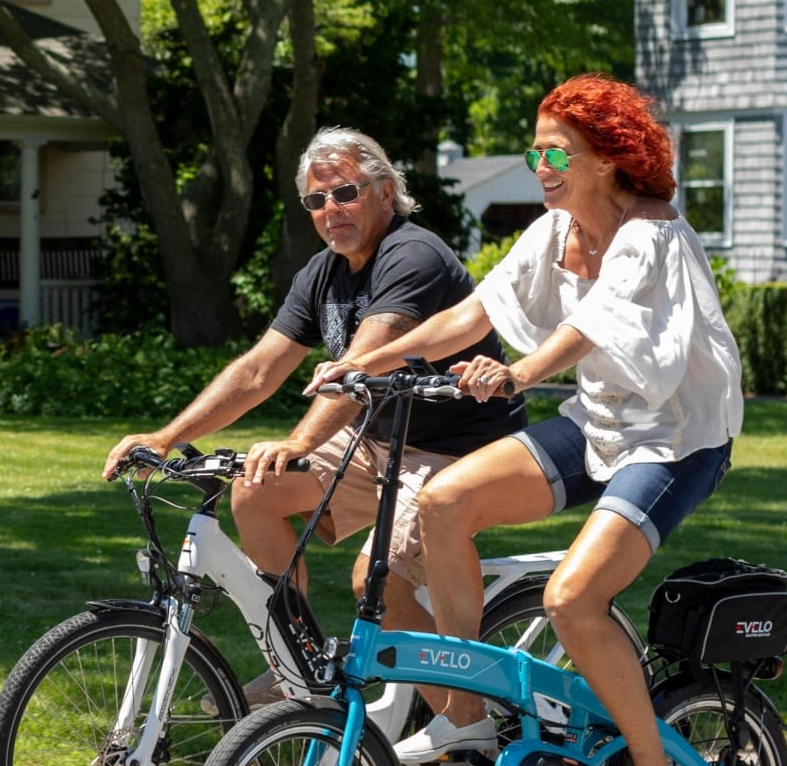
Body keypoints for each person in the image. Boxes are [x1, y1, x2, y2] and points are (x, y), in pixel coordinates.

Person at [308, 75, 743, 766]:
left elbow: (589, 326)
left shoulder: (651, 233)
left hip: (678, 438)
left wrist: (519, 374)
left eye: (556, 151)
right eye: (533, 149)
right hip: (601, 422)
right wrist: (359, 364)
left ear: (609, 159)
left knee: (573, 598)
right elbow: (466, 318)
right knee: (443, 502)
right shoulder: (552, 232)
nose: (540, 165)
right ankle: (470, 718)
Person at [104, 126, 525, 709]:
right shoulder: (323, 272)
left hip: (456, 453)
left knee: (377, 585)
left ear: (384, 191)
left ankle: (466, 742)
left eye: (346, 193)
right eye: (316, 200)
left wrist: (299, 441)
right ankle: (295, 661)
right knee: (257, 489)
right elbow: (258, 371)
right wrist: (168, 436)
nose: (331, 210)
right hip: (379, 442)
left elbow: (358, 372)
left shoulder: (413, 256)